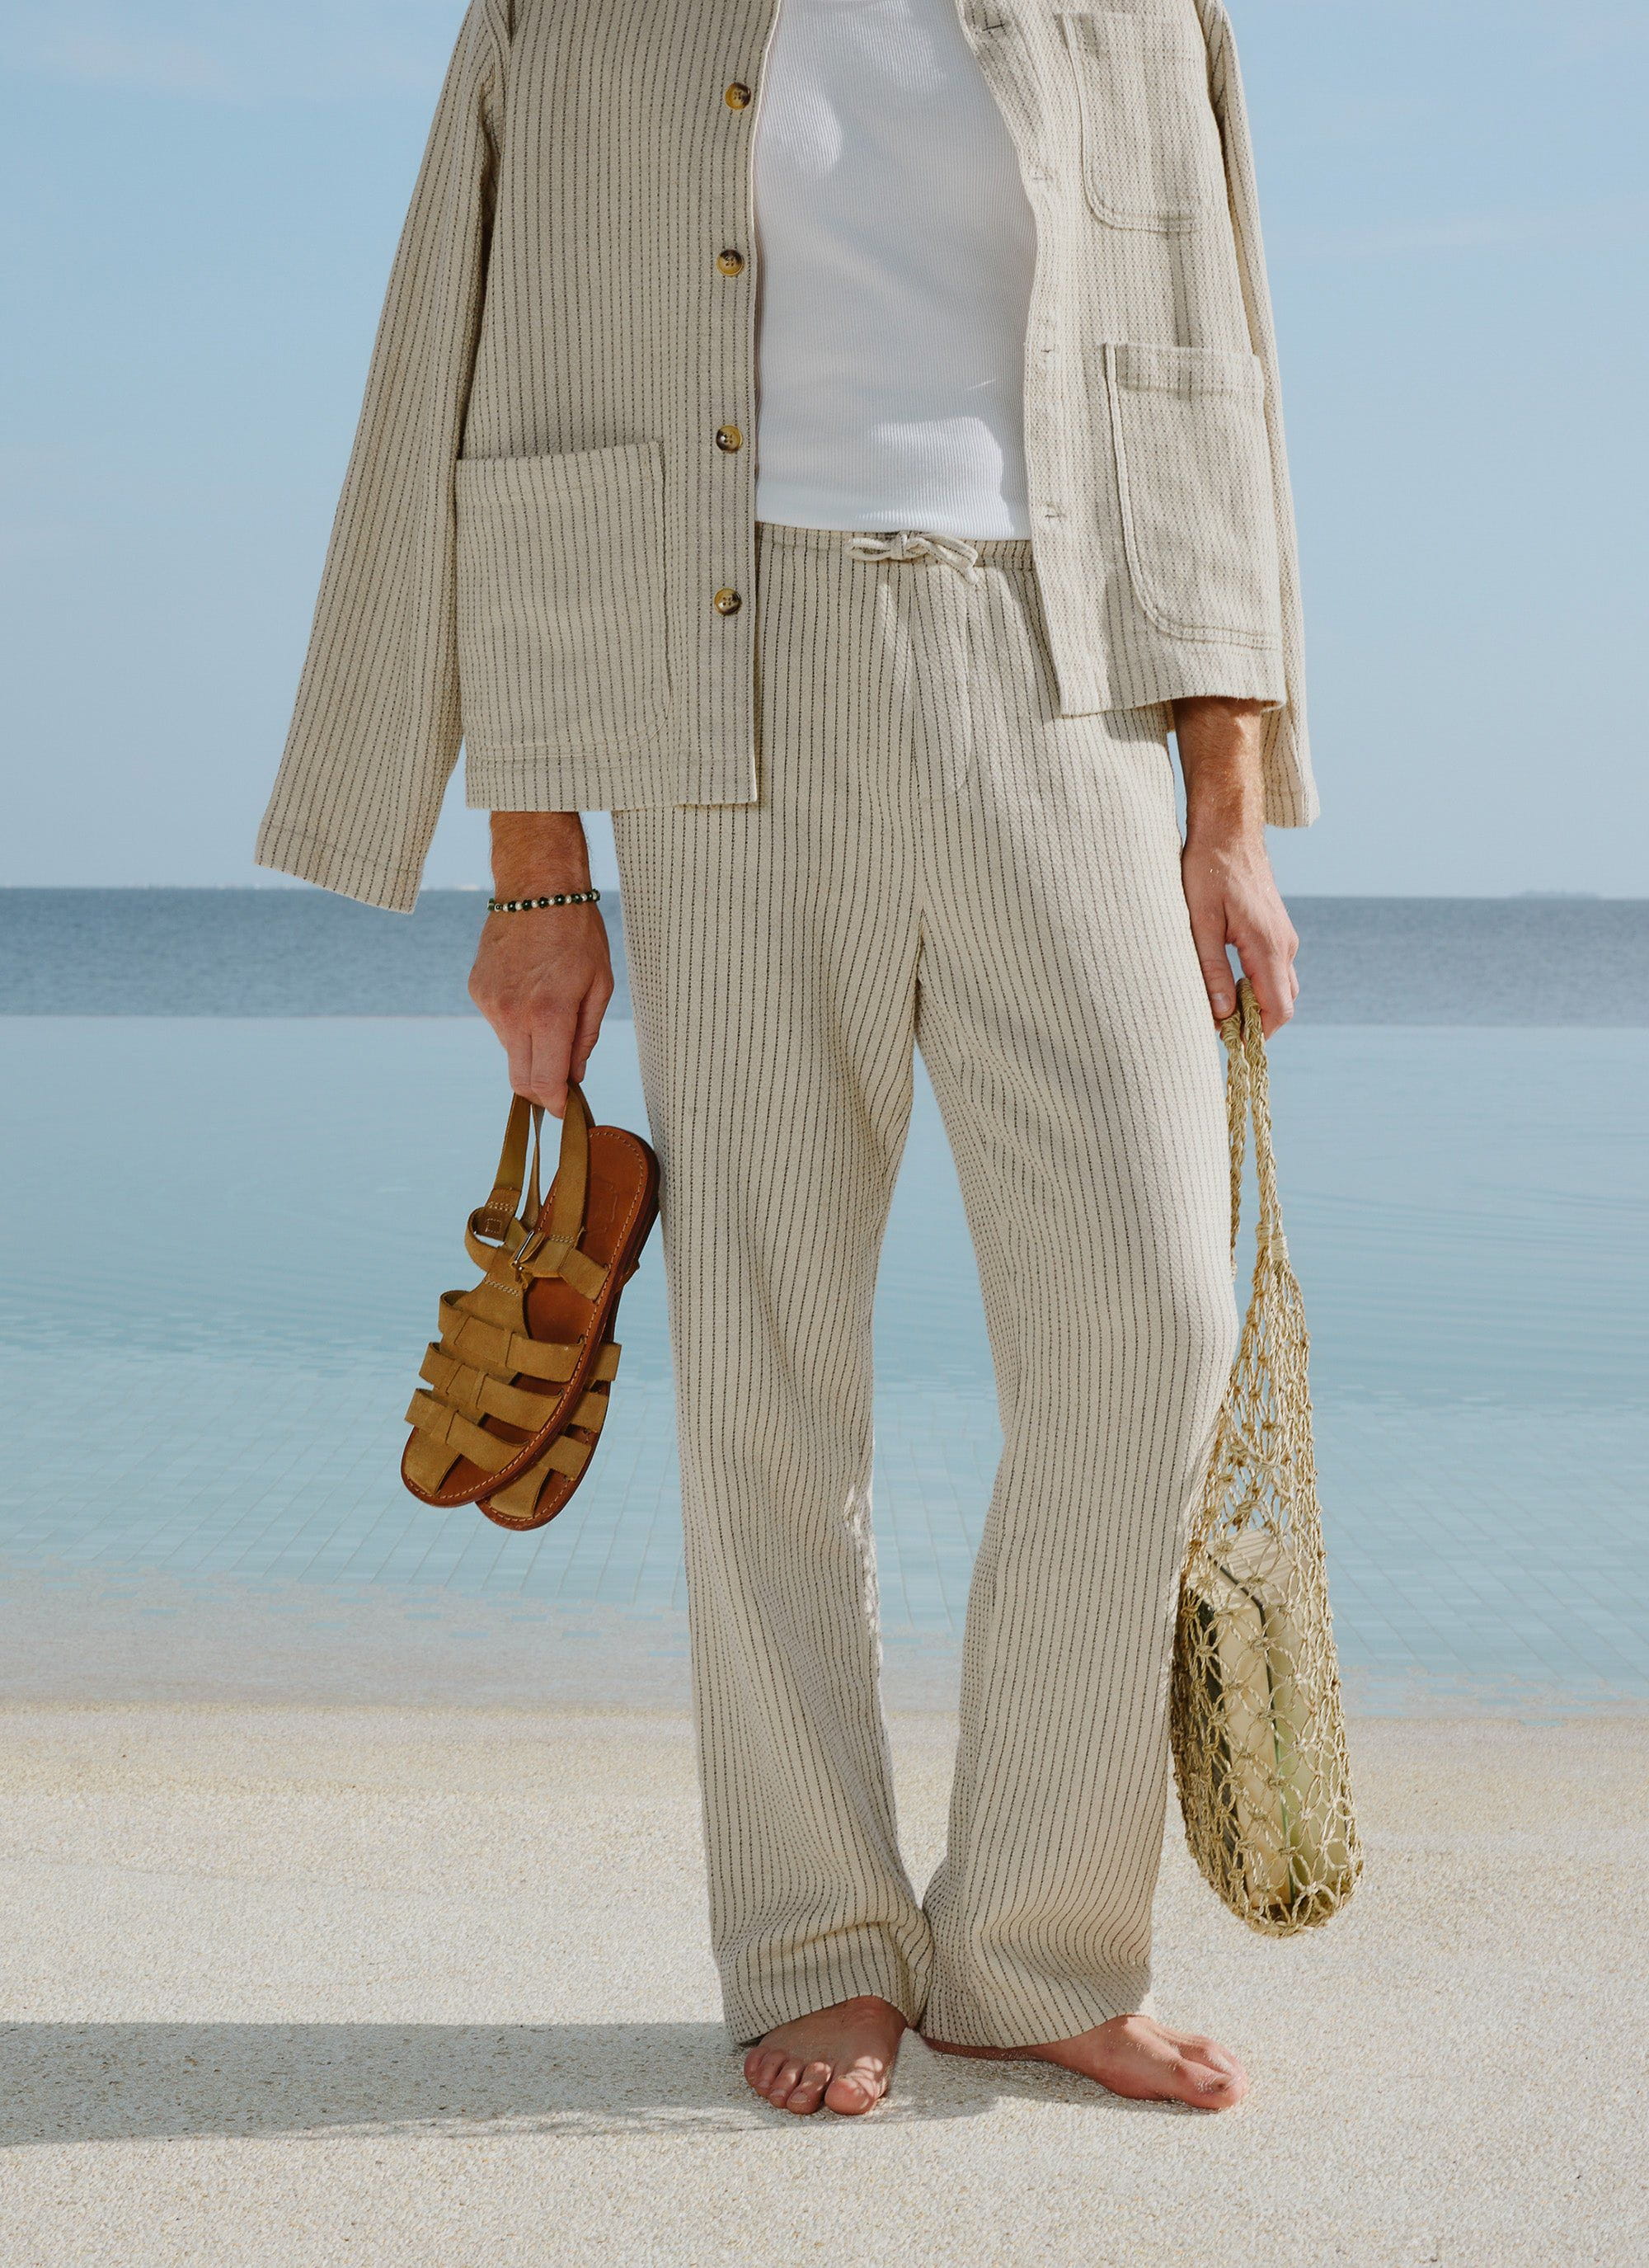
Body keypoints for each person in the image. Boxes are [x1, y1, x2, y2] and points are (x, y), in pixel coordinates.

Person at [257, 0, 1313, 2119]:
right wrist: (536, 868)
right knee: (766, 1362)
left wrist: (1225, 808)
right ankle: (816, 1938)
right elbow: (472, 388)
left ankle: (1030, 1944)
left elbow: (1208, 384)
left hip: (1069, 690)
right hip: (711, 699)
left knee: (1153, 1311)